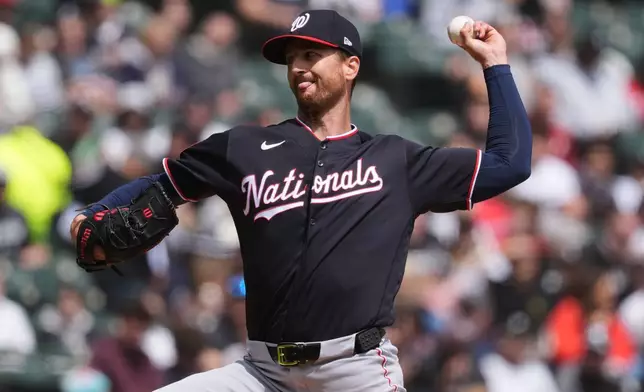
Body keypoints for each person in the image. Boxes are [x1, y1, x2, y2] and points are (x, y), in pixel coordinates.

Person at [70, 9, 532, 392]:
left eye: (312, 54)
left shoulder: (397, 161)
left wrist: (495, 63)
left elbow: (510, 163)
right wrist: (91, 214)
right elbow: (163, 186)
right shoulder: (243, 148)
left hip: (356, 373)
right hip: (261, 374)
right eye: (292, 58)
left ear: (351, 66)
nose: (298, 67)